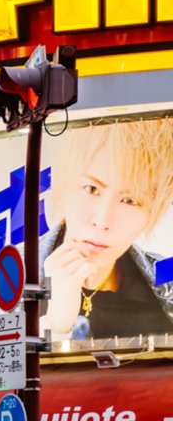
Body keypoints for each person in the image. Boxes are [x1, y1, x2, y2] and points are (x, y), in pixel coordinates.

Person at [38, 117, 173, 341]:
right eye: (91, 189)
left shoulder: (167, 276)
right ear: (64, 183)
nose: (102, 220)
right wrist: (57, 325)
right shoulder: (14, 276)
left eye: (130, 200)